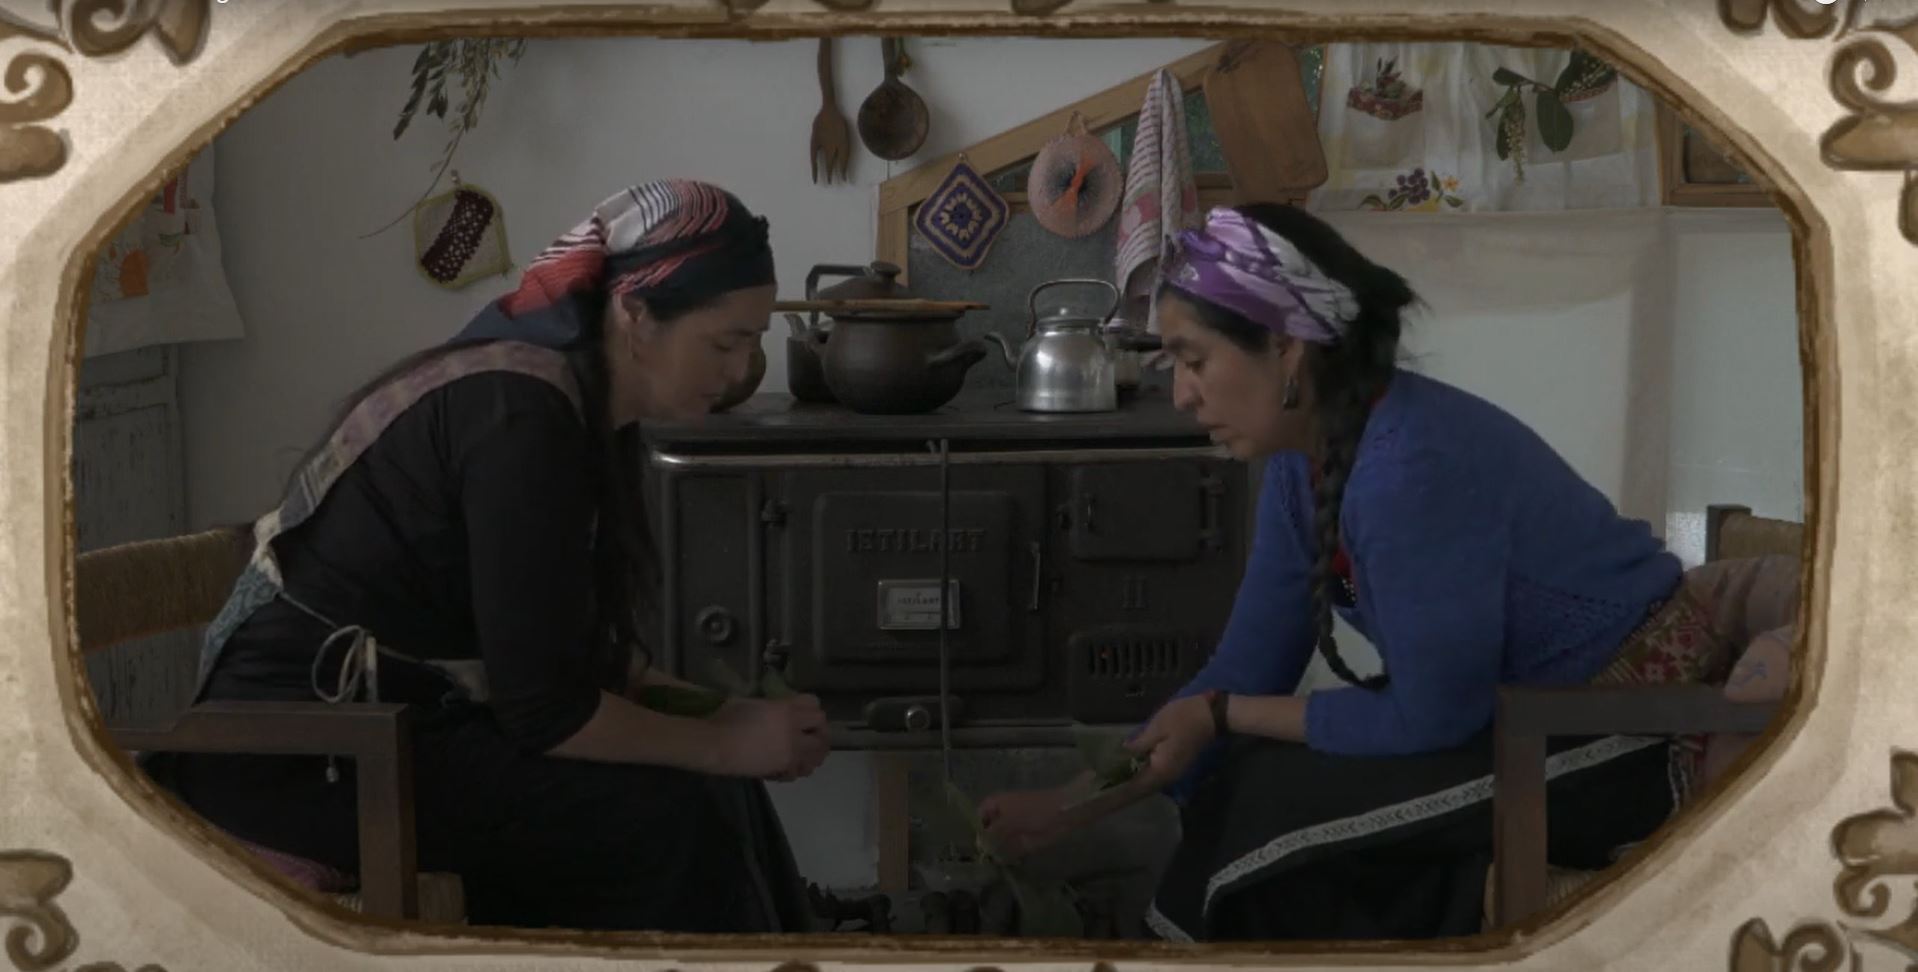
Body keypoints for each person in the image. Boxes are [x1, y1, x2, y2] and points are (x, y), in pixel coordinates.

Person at [978, 203, 1752, 942]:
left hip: (1625, 729)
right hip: (1502, 714)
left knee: (1268, 825)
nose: (1181, 393)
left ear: (1287, 348)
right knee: (1242, 784)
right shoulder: (1301, 463)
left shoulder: (1407, 466)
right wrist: (1073, 805)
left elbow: (1424, 719)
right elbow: (1247, 667)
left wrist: (1223, 714)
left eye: (1194, 360)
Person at [158, 181, 829, 932]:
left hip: (400, 724)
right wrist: (724, 743)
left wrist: (731, 723)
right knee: (666, 815)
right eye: (725, 342)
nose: (743, 372)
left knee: (715, 788)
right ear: (636, 316)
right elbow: (548, 711)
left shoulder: (572, 406)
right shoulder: (518, 414)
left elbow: (565, 655)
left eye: (753, 341)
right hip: (302, 755)